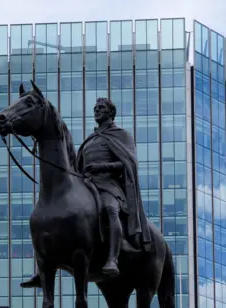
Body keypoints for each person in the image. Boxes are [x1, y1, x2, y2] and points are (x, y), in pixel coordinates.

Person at [21, 97, 151, 286]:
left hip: (108, 186)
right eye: (95, 108)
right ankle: (43, 270)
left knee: (111, 210)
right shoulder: (90, 141)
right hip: (87, 186)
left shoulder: (121, 135)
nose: (97, 110)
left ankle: (112, 258)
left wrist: (101, 167)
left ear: (111, 113)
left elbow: (128, 164)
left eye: (101, 108)